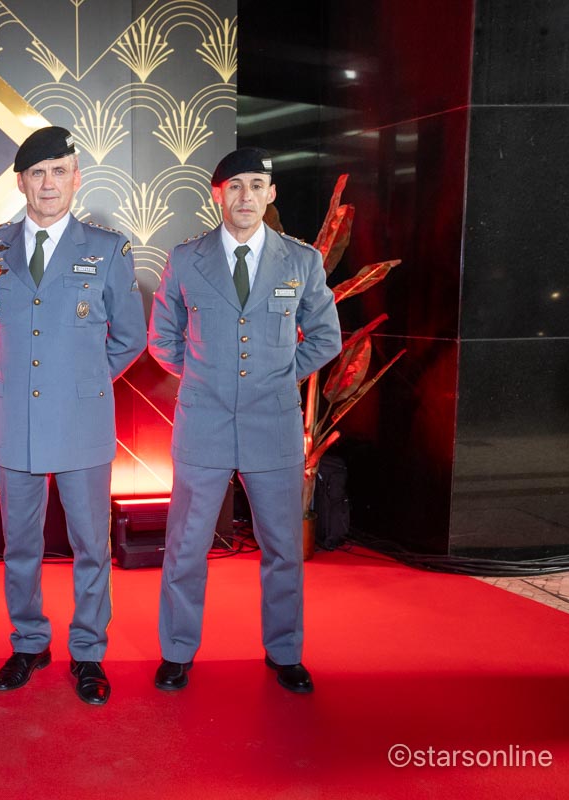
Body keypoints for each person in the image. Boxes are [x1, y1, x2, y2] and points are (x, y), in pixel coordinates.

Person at [147, 147, 341, 695]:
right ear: (218, 195)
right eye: (234, 186)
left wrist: (280, 377)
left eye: (256, 185)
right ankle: (176, 651)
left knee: (282, 547)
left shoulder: (301, 261)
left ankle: (285, 652)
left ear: (270, 194)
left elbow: (326, 337)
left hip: (272, 425)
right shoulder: (186, 259)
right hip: (203, 423)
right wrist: (203, 377)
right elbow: (161, 336)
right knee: (186, 547)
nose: (246, 196)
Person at [0, 126, 146, 705]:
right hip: (15, 420)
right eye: (37, 173)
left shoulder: (108, 249)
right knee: (20, 545)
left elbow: (130, 336)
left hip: (82, 422)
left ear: (76, 178)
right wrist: (17, 375)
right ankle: (29, 643)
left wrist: (82, 381)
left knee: (91, 545)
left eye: (59, 171)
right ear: (21, 182)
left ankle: (89, 651)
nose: (48, 183)